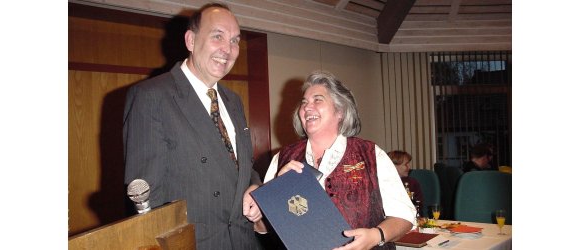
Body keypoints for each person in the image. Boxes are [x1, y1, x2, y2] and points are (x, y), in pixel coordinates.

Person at [123, 3, 263, 249]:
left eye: (234, 41)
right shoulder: (152, 96)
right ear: (190, 40)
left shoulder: (233, 101)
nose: (228, 50)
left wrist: (255, 187)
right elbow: (146, 197)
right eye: (217, 36)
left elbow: (242, 166)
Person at [261, 71, 416, 250]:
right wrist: (277, 192)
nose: (307, 107)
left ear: (340, 111)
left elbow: (405, 217)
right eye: (304, 102)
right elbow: (264, 226)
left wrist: (376, 235)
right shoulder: (282, 158)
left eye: (317, 100)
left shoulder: (371, 155)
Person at [387, 150, 424, 217]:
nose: (409, 167)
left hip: (409, 219)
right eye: (405, 164)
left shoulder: (412, 183)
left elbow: (419, 205)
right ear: (393, 166)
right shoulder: (382, 183)